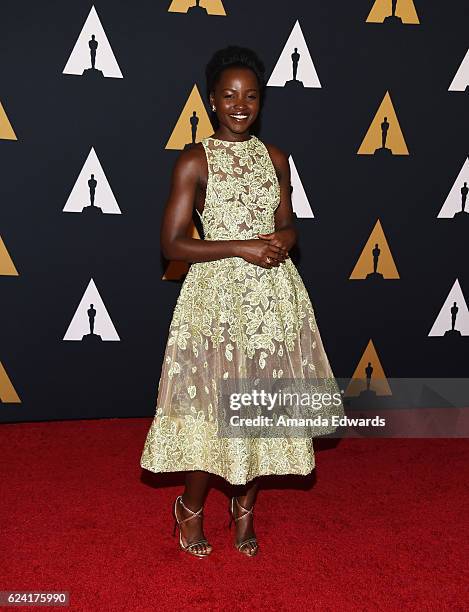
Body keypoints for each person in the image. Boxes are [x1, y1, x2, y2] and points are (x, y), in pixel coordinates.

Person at [140, 45, 344, 558]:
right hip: (215, 299)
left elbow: (288, 224)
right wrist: (240, 246)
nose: (240, 104)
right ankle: (189, 509)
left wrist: (283, 242)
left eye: (250, 96)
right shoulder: (194, 159)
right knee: (211, 411)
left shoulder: (276, 158)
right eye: (229, 95)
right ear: (211, 100)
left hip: (272, 297)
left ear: (260, 103)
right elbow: (172, 245)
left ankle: (244, 508)